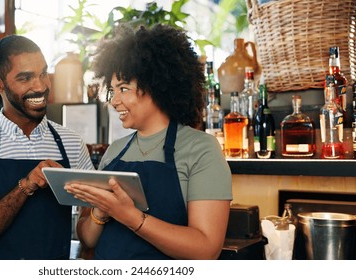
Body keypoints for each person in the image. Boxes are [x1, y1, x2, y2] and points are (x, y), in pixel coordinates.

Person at [65, 24, 232, 260]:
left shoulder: (201, 149)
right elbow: (89, 239)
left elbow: (205, 249)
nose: (115, 101)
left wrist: (129, 216)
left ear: (156, 86)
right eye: (113, 91)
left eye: (124, 88)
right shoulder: (114, 152)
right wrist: (100, 211)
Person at [0, 35, 94, 260]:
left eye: (42, 73)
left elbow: (90, 223)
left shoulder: (71, 143)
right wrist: (26, 186)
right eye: (25, 78)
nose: (40, 86)